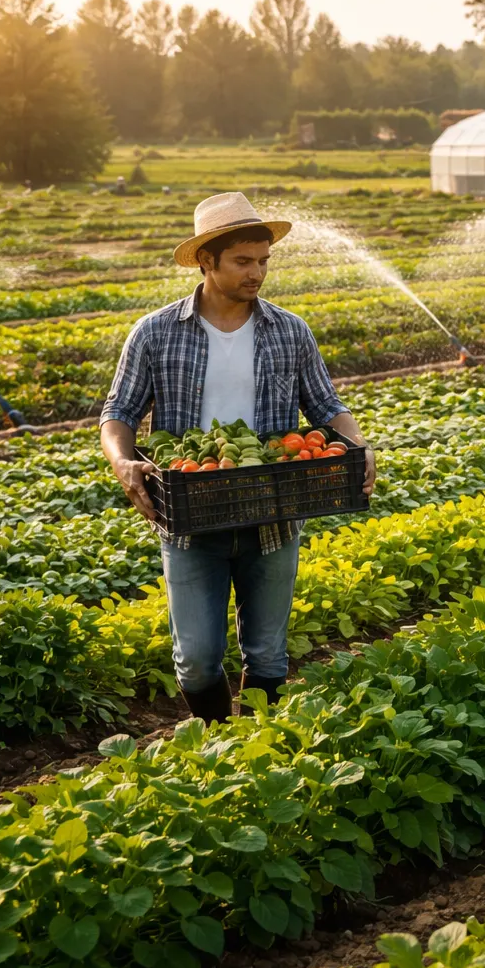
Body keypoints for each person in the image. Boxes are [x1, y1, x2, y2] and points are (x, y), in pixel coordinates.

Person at [100, 192, 376, 724]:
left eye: (264, 261)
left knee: (268, 654)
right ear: (207, 261)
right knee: (198, 662)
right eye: (243, 262)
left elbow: (326, 405)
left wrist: (358, 445)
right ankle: (214, 741)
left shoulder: (289, 330)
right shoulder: (156, 332)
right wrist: (121, 462)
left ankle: (254, 746)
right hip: (191, 515)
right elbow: (119, 412)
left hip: (272, 512)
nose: (257, 273)